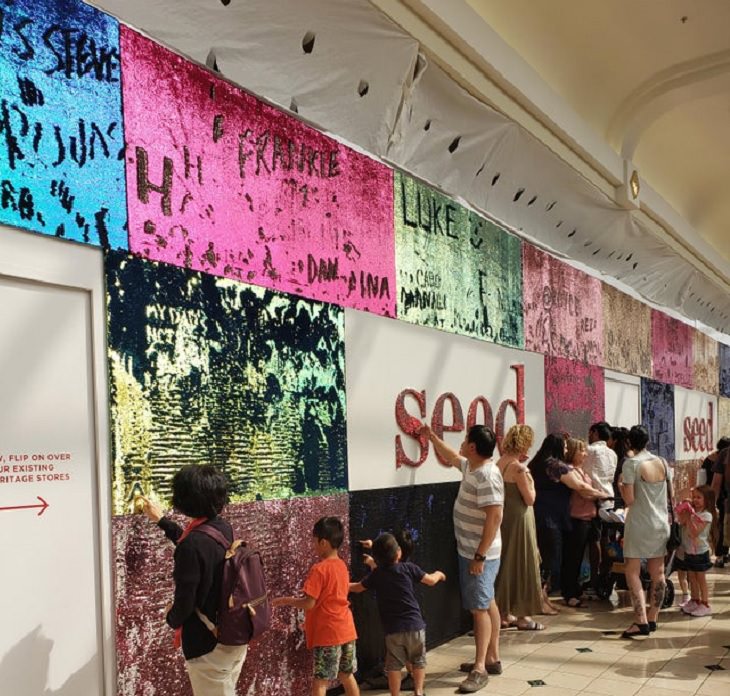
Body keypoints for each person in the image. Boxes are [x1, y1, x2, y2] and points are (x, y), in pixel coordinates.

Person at [141, 464, 248, 696]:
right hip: (233, 636)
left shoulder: (193, 544)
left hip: (209, 646)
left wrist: (170, 616)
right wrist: (162, 521)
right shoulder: (222, 528)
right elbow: (197, 547)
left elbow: (185, 602)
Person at [422, 424, 503, 694]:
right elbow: (451, 457)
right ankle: (491, 658)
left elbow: (494, 518)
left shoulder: (488, 476)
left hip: (479, 554)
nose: (462, 442)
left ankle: (480, 668)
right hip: (471, 551)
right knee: (487, 602)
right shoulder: (472, 466)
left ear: (472, 447)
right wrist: (432, 437)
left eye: (466, 439)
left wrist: (479, 555)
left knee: (478, 609)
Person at [349, 532, 446, 696]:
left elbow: (358, 587)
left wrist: (340, 584)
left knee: (393, 665)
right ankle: (419, 691)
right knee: (418, 661)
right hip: (416, 627)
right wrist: (439, 574)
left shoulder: (377, 574)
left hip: (393, 630)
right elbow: (430, 580)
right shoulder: (409, 568)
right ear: (399, 552)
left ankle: (395, 694)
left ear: (377, 558)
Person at [272, 517, 359, 696]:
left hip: (328, 633)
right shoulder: (342, 565)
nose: (313, 545)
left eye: (314, 541)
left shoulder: (319, 569)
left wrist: (287, 600)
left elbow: (309, 603)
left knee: (320, 682)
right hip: (347, 630)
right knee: (346, 675)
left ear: (323, 542)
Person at [529, 434, 606, 603]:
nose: (566, 450)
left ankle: (542, 598)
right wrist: (603, 495)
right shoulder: (555, 465)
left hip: (537, 514)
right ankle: (542, 600)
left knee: (544, 558)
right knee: (550, 559)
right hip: (551, 518)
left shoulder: (536, 464)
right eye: (564, 447)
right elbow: (579, 486)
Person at [618, 425, 670, 638]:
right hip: (661, 522)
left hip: (639, 523)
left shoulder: (631, 464)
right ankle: (653, 617)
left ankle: (640, 621)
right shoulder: (662, 462)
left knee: (632, 571)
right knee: (658, 573)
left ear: (629, 442)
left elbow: (629, 500)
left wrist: (621, 485)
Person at [493, 424, 544, 630]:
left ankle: (504, 613)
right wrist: (531, 480)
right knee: (524, 562)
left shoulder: (500, 463)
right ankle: (523, 615)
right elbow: (530, 498)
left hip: (505, 517)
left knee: (507, 563)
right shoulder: (518, 468)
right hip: (521, 519)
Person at [561, 438, 598, 607]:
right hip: (577, 519)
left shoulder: (581, 471)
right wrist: (601, 494)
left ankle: (577, 588)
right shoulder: (570, 471)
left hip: (587, 518)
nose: (585, 454)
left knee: (581, 556)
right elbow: (583, 492)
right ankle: (570, 592)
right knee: (572, 557)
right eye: (581, 450)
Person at [583, 422, 617, 597]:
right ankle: (606, 572)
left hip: (594, 498)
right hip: (609, 498)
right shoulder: (612, 453)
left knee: (595, 539)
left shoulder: (590, 451)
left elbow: (584, 472)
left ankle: (595, 577)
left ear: (595, 433)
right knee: (607, 538)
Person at [676, 486, 718, 617]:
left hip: (700, 552)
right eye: (694, 497)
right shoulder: (693, 512)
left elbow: (694, 533)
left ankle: (705, 603)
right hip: (689, 551)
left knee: (701, 579)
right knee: (692, 578)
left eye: (699, 497)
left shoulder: (707, 515)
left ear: (707, 500)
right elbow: (681, 522)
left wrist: (689, 516)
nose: (695, 500)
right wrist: (683, 509)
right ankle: (695, 600)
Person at [706, 437, 730, 566]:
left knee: (722, 528)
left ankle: (721, 555)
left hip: (726, 503)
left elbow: (715, 484)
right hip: (725, 502)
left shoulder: (724, 454)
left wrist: (711, 505)